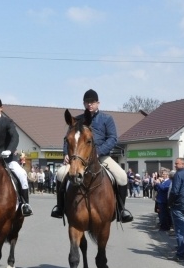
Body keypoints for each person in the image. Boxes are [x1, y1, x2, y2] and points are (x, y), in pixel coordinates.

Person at [52, 89, 131, 222]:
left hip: (102, 156)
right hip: (79, 158)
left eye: (92, 102)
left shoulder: (107, 119)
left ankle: (121, 210)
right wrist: (66, 154)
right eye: (87, 102)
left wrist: (99, 151)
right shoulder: (77, 120)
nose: (90, 104)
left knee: (122, 176)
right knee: (60, 174)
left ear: (98, 103)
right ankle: (60, 207)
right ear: (84, 103)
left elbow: (112, 138)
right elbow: (68, 139)